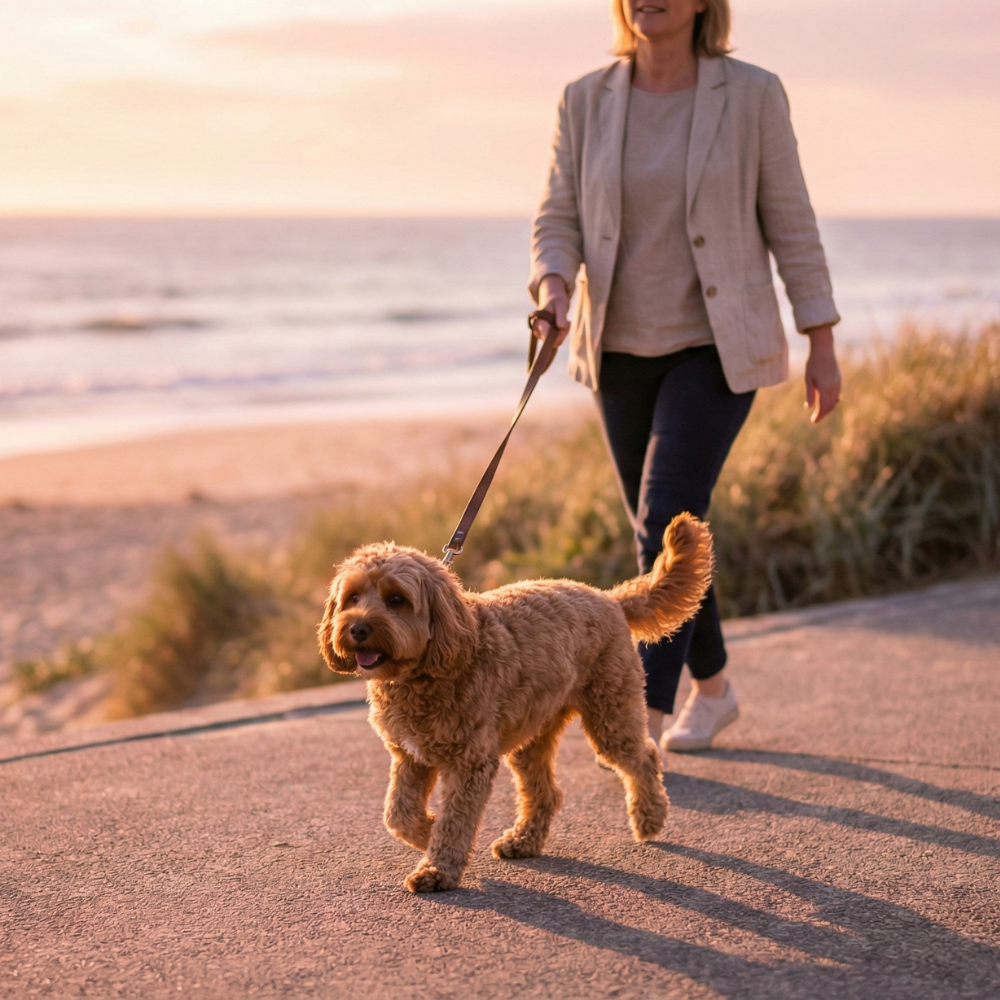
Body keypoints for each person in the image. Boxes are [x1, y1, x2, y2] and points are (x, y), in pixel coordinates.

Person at [529, 0, 841, 753]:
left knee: (661, 512)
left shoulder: (752, 93)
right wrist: (553, 287)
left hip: (715, 346)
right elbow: (558, 215)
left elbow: (790, 218)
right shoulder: (585, 98)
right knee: (671, 535)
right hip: (619, 350)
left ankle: (645, 720)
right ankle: (717, 690)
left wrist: (820, 338)